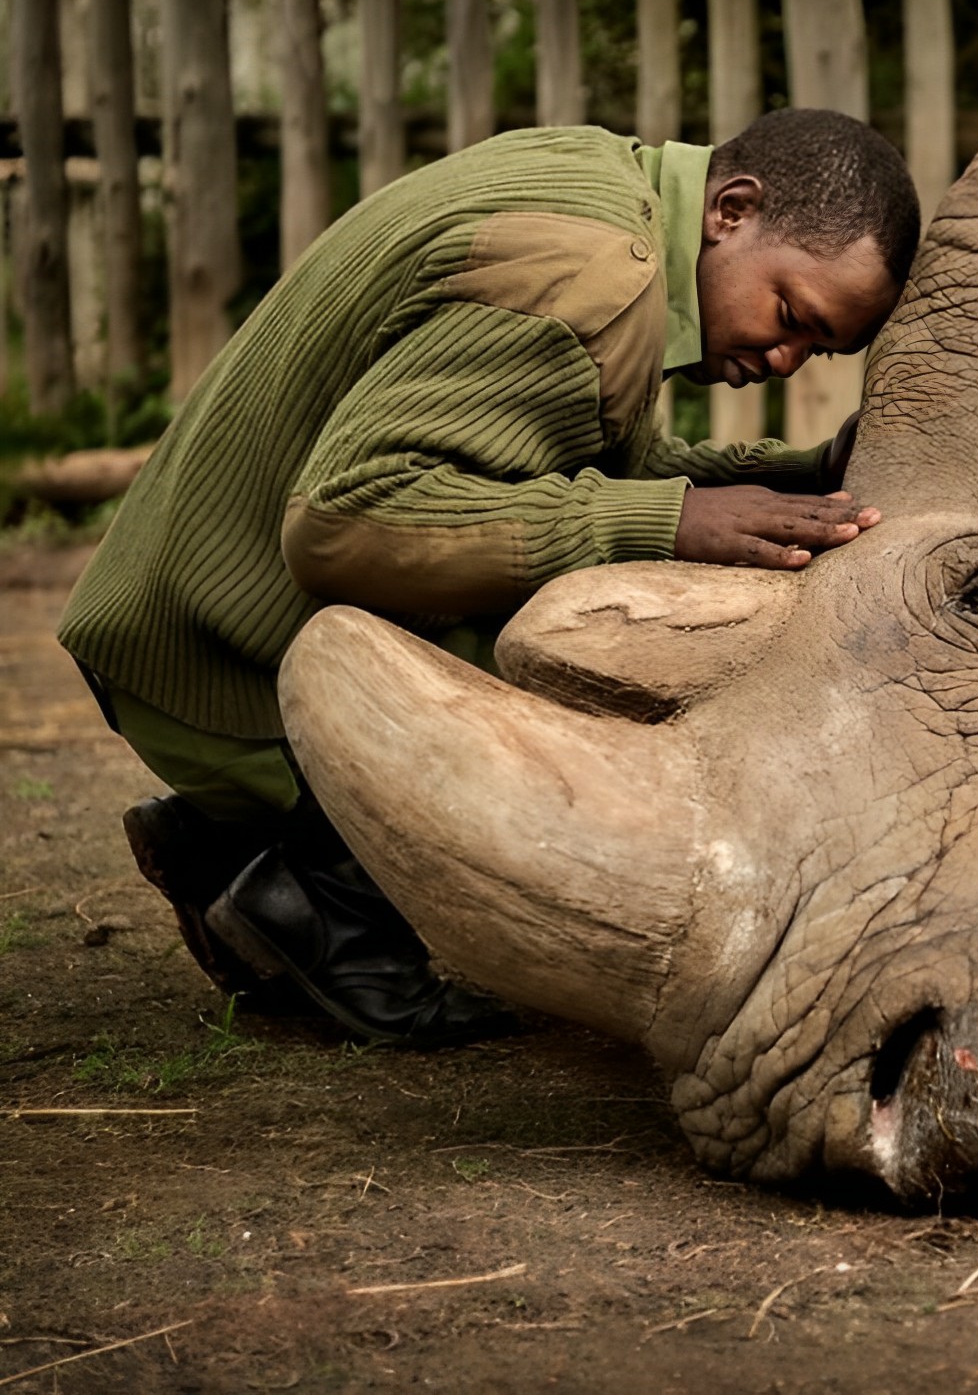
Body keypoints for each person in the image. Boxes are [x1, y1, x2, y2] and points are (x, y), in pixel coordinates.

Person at [59, 109, 922, 1046]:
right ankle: (303, 873)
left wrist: (791, 479)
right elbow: (345, 524)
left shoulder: (606, 189)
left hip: (171, 614)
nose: (785, 358)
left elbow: (558, 462)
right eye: (792, 314)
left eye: (819, 350)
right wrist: (666, 523)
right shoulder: (590, 281)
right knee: (589, 651)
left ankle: (229, 841)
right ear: (733, 210)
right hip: (214, 670)